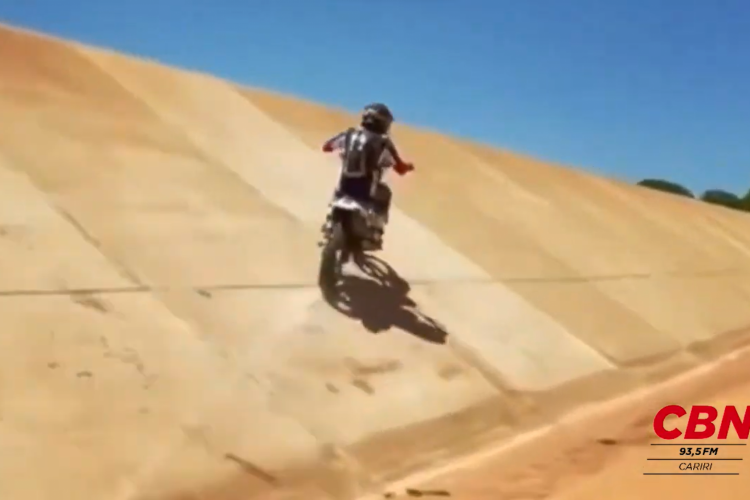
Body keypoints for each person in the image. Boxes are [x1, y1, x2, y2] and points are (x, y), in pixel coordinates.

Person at [320, 102, 414, 249]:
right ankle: (376, 233)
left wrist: (344, 153)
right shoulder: (383, 142)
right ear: (383, 123)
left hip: (343, 187)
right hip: (366, 192)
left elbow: (326, 147)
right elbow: (400, 168)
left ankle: (328, 224)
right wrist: (407, 167)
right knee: (385, 193)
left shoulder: (349, 134)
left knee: (335, 193)